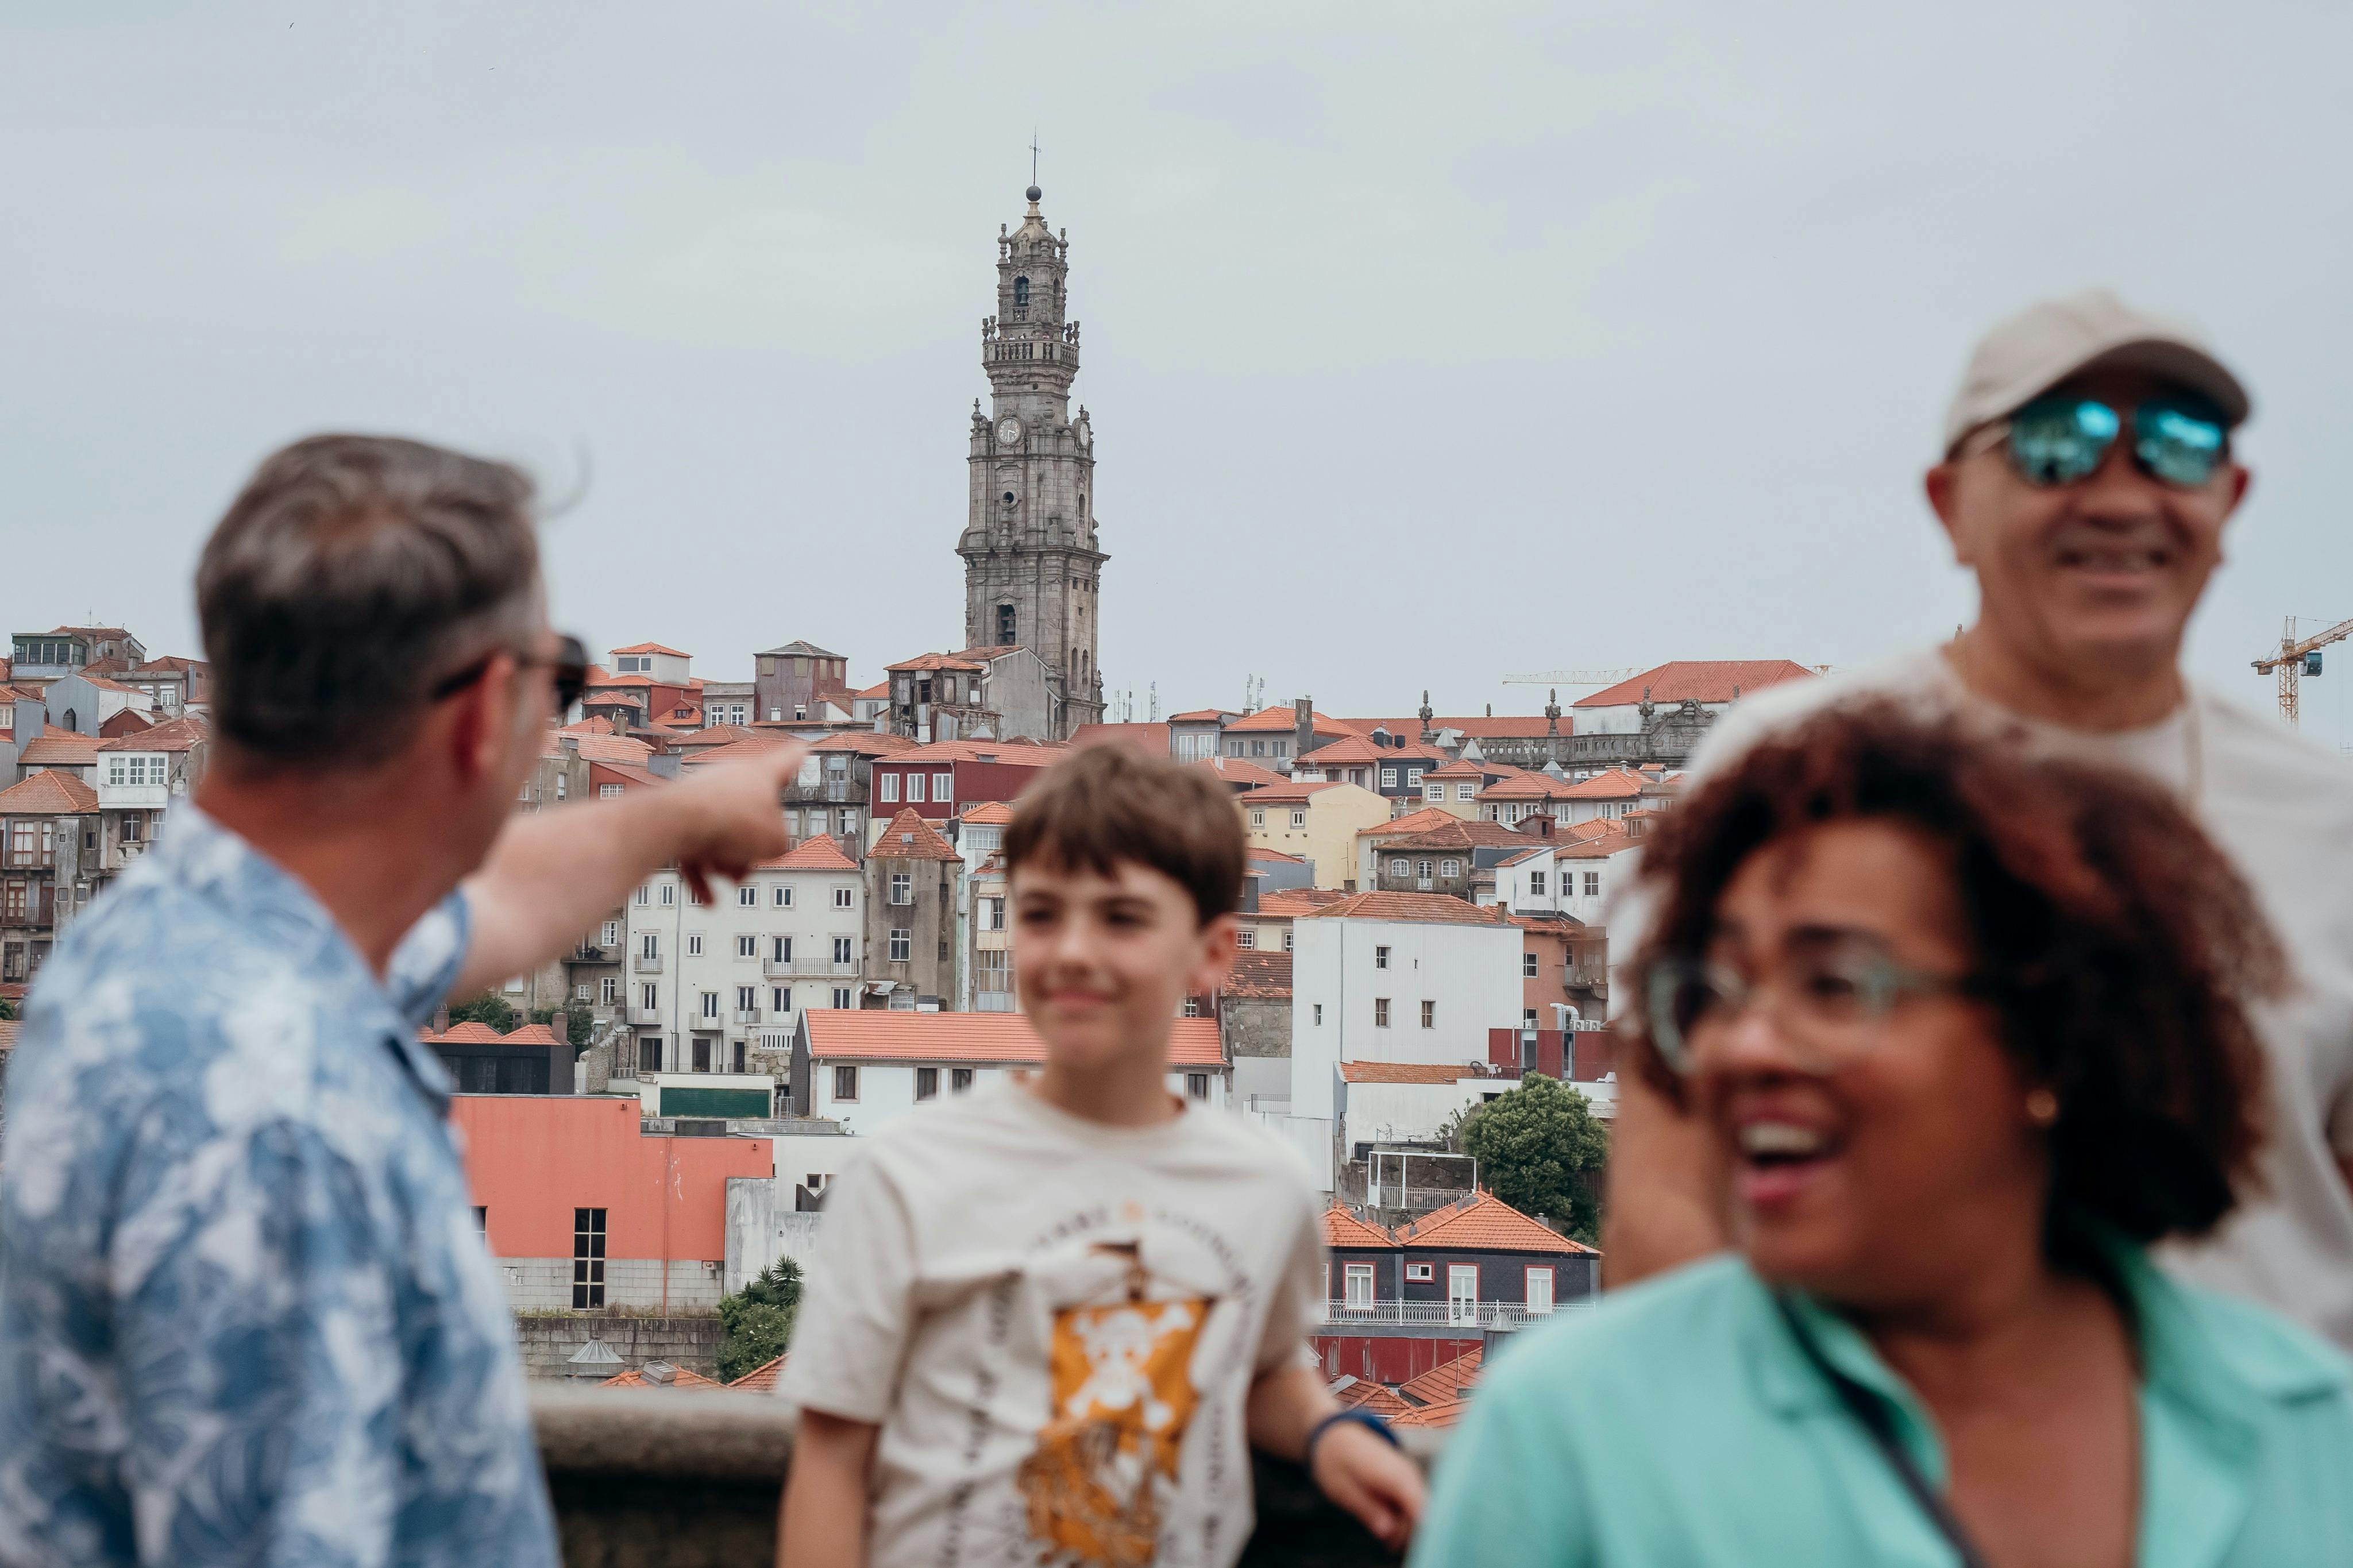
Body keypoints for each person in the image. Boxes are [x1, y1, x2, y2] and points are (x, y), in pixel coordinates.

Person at [0, 435, 803, 1568]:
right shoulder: (283, 1121)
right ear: (483, 716)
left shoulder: (162, 947)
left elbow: (487, 909)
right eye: (556, 680)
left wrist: (677, 818)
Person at [1413, 706, 2353, 1567]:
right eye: (1716, 990)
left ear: (2048, 1040)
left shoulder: (2311, 1429)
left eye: (1832, 986)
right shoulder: (1575, 1429)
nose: (1742, 1047)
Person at [1604, 288, 2353, 1351]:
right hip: (1862, 1480)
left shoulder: (2335, 825)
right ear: (1950, 503)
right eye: (2059, 446)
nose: (2121, 494)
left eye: (2176, 448)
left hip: (2267, 1489)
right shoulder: (1786, 775)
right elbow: (1668, 1198)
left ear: (2230, 496)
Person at [776, 744, 1424, 1568]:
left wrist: (1330, 1431)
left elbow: (1260, 1367)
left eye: (1121, 918)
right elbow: (832, 1459)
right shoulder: (906, 1172)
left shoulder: (1267, 1185)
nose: (1075, 950)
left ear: (1212, 953)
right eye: (1043, 914)